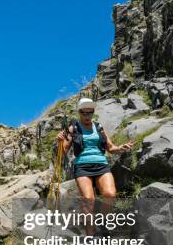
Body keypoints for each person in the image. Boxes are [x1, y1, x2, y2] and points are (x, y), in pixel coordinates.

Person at [56, 98, 134, 234]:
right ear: (79, 113)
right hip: (82, 166)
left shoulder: (98, 127)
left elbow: (110, 147)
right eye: (84, 113)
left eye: (90, 113)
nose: (87, 116)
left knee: (110, 194)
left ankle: (102, 224)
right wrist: (60, 141)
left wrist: (121, 148)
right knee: (89, 200)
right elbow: (62, 152)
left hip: (101, 164)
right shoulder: (73, 128)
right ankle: (90, 238)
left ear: (93, 112)